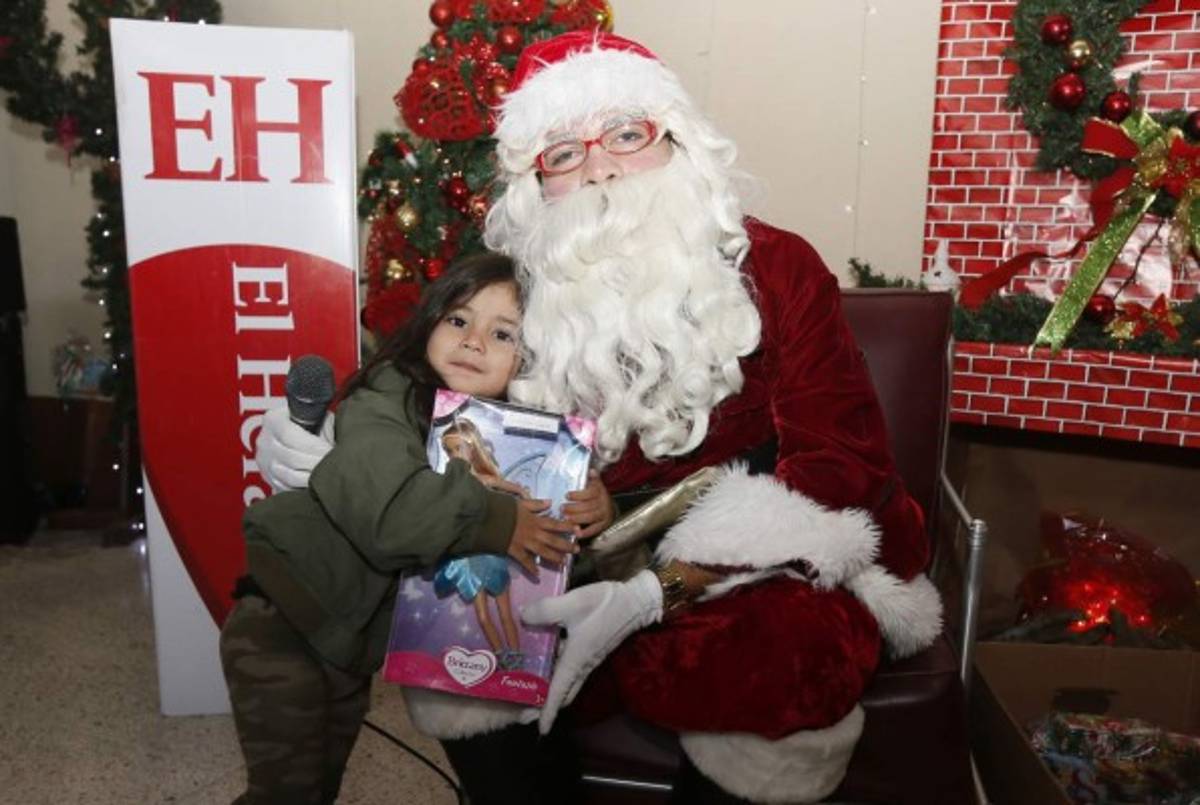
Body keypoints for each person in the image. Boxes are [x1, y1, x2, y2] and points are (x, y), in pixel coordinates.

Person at [257, 31, 942, 804]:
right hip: (563, 551)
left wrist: (657, 590)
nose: (601, 168)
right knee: (462, 645)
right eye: (563, 153)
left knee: (782, 656)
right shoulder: (519, 284)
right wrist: (337, 445)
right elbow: (422, 377)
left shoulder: (778, 269)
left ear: (676, 140)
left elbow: (837, 472)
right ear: (536, 183)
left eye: (624, 134)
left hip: (749, 570)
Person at [221, 252, 615, 805]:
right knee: (284, 793)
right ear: (428, 323)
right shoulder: (387, 395)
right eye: (458, 320)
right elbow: (392, 512)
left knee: (315, 786)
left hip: (344, 642)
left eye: (502, 333)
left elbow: (543, 544)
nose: (474, 340)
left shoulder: (515, 437)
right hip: (283, 619)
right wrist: (494, 519)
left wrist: (592, 509)